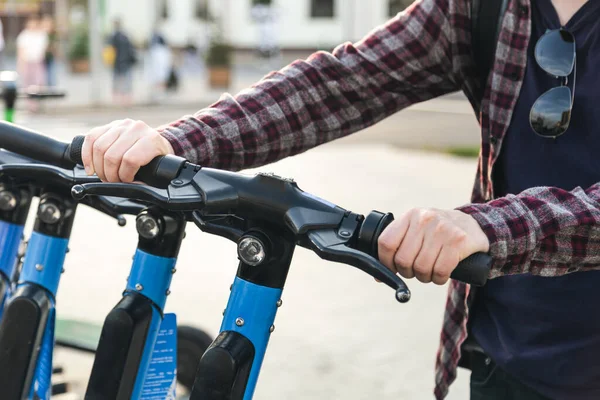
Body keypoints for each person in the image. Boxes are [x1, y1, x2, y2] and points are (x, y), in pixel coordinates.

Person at [80, 1, 600, 399]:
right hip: (506, 354)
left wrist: (493, 227)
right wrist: (177, 143)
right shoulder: (485, 7)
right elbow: (345, 81)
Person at [16, 15, 48, 111]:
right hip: (27, 62)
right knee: (28, 84)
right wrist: (20, 64)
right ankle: (31, 105)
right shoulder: (24, 36)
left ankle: (37, 102)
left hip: (38, 61)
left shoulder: (41, 35)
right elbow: (21, 51)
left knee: (39, 82)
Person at [110, 19, 136, 106]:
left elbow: (110, 50)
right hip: (126, 62)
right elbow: (131, 49)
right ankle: (127, 99)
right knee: (127, 81)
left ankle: (117, 99)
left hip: (117, 62)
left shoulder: (113, 37)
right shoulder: (125, 36)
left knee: (117, 81)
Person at [147, 31, 172, 103]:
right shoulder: (163, 51)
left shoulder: (156, 51)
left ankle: (158, 95)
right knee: (160, 82)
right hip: (160, 73)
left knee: (158, 82)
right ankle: (159, 94)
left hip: (157, 73)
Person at [41, 15, 58, 87]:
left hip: (50, 57)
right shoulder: (40, 34)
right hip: (41, 57)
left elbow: (54, 46)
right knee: (42, 72)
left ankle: (51, 86)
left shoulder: (53, 35)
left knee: (50, 72)